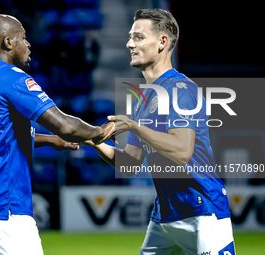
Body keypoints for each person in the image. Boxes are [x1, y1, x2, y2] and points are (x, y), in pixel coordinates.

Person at [0, 14, 114, 255]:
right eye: (23, 38)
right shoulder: (9, 76)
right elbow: (66, 125)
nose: (28, 44)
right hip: (1, 209)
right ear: (8, 43)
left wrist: (50, 140)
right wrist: (100, 132)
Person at [81, 9, 236, 255]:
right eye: (130, 37)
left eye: (138, 37)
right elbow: (129, 164)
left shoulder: (181, 89)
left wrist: (134, 127)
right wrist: (91, 140)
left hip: (202, 212)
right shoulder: (144, 99)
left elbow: (182, 151)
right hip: (164, 216)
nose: (129, 43)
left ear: (162, 42)